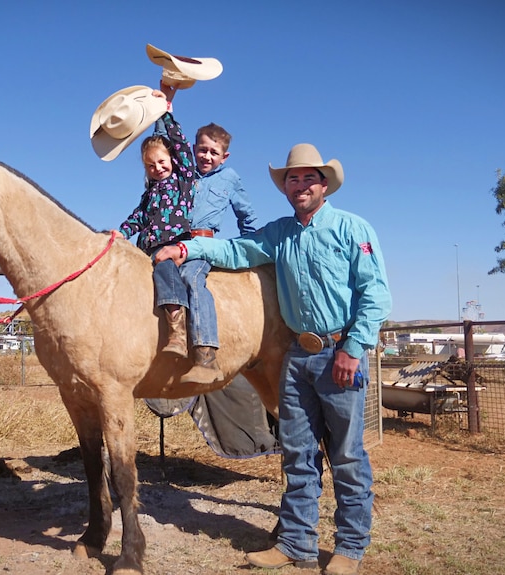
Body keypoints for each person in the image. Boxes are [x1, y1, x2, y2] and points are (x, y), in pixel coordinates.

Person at [155, 143, 391, 575]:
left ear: (324, 184)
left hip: (341, 353)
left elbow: (375, 295)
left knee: (346, 455)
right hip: (298, 356)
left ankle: (350, 547)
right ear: (285, 188)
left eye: (307, 178)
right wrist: (188, 250)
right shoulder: (279, 233)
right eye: (292, 179)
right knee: (297, 454)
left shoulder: (352, 228)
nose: (299, 185)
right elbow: (238, 251)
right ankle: (297, 542)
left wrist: (354, 349)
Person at [153, 83, 256, 384]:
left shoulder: (230, 179)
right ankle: (165, 340)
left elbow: (247, 216)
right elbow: (168, 143)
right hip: (174, 241)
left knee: (192, 279)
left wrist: (250, 251)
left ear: (225, 156)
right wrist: (166, 106)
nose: (207, 156)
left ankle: (205, 354)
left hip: (203, 243)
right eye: (202, 149)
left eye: (214, 152)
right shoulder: (184, 172)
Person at [104, 83, 196, 361]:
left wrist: (165, 112)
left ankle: (178, 331)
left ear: (172, 160)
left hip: (172, 247)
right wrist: (122, 232)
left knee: (165, 271)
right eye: (150, 165)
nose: (157, 168)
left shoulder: (183, 181)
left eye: (161, 162)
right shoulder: (150, 193)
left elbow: (179, 144)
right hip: (148, 248)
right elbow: (138, 217)